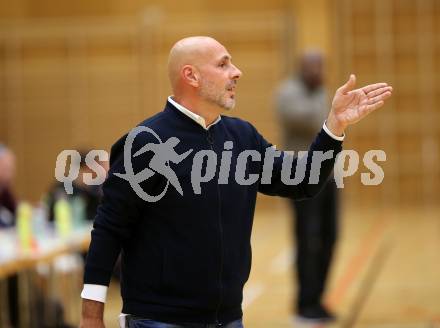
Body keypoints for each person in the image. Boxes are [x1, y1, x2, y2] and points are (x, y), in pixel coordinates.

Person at [80, 36, 392, 328]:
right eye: (223, 64)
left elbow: (303, 182)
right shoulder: (146, 143)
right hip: (160, 319)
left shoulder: (242, 137)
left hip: (229, 318)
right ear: (191, 76)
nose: (236, 72)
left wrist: (334, 126)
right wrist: (91, 314)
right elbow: (109, 228)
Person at [275, 51, 338, 321]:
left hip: (328, 176)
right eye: (311, 66)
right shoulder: (288, 92)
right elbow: (316, 122)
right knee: (307, 240)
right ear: (301, 68)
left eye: (319, 66)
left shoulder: (321, 92)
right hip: (299, 177)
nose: (316, 71)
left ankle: (318, 299)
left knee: (329, 237)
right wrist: (332, 113)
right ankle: (304, 302)